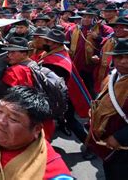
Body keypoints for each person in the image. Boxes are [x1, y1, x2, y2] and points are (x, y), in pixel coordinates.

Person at [37, 29, 94, 158]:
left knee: (70, 120)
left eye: (47, 41)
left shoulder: (55, 62)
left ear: (55, 44)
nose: (44, 42)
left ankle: (90, 147)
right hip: (63, 93)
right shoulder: (56, 53)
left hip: (64, 97)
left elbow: (52, 85)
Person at [86, 38, 128, 180]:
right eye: (119, 57)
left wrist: (119, 137)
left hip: (124, 145)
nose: (123, 61)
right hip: (107, 141)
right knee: (109, 169)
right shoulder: (113, 75)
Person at [66, 9, 113, 97]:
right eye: (84, 17)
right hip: (76, 65)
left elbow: (111, 43)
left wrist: (98, 37)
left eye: (90, 17)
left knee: (92, 90)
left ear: (96, 19)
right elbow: (65, 43)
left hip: (95, 66)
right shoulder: (73, 29)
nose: (86, 19)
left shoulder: (105, 29)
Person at [94, 16, 128, 94]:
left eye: (122, 27)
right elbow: (103, 54)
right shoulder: (110, 40)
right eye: (116, 27)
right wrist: (98, 58)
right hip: (106, 74)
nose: (117, 29)